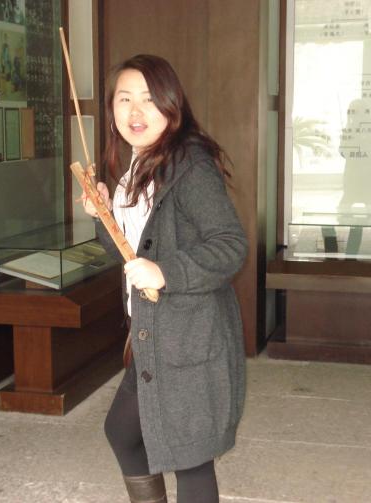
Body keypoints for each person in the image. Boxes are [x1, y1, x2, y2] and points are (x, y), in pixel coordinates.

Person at [80, 54, 248, 503]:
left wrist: (166, 272)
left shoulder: (190, 167)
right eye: (124, 99)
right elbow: (133, 255)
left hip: (190, 339)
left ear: (172, 105)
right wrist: (103, 216)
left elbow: (230, 245)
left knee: (191, 459)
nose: (135, 112)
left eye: (149, 99)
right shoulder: (138, 165)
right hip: (154, 336)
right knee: (123, 431)